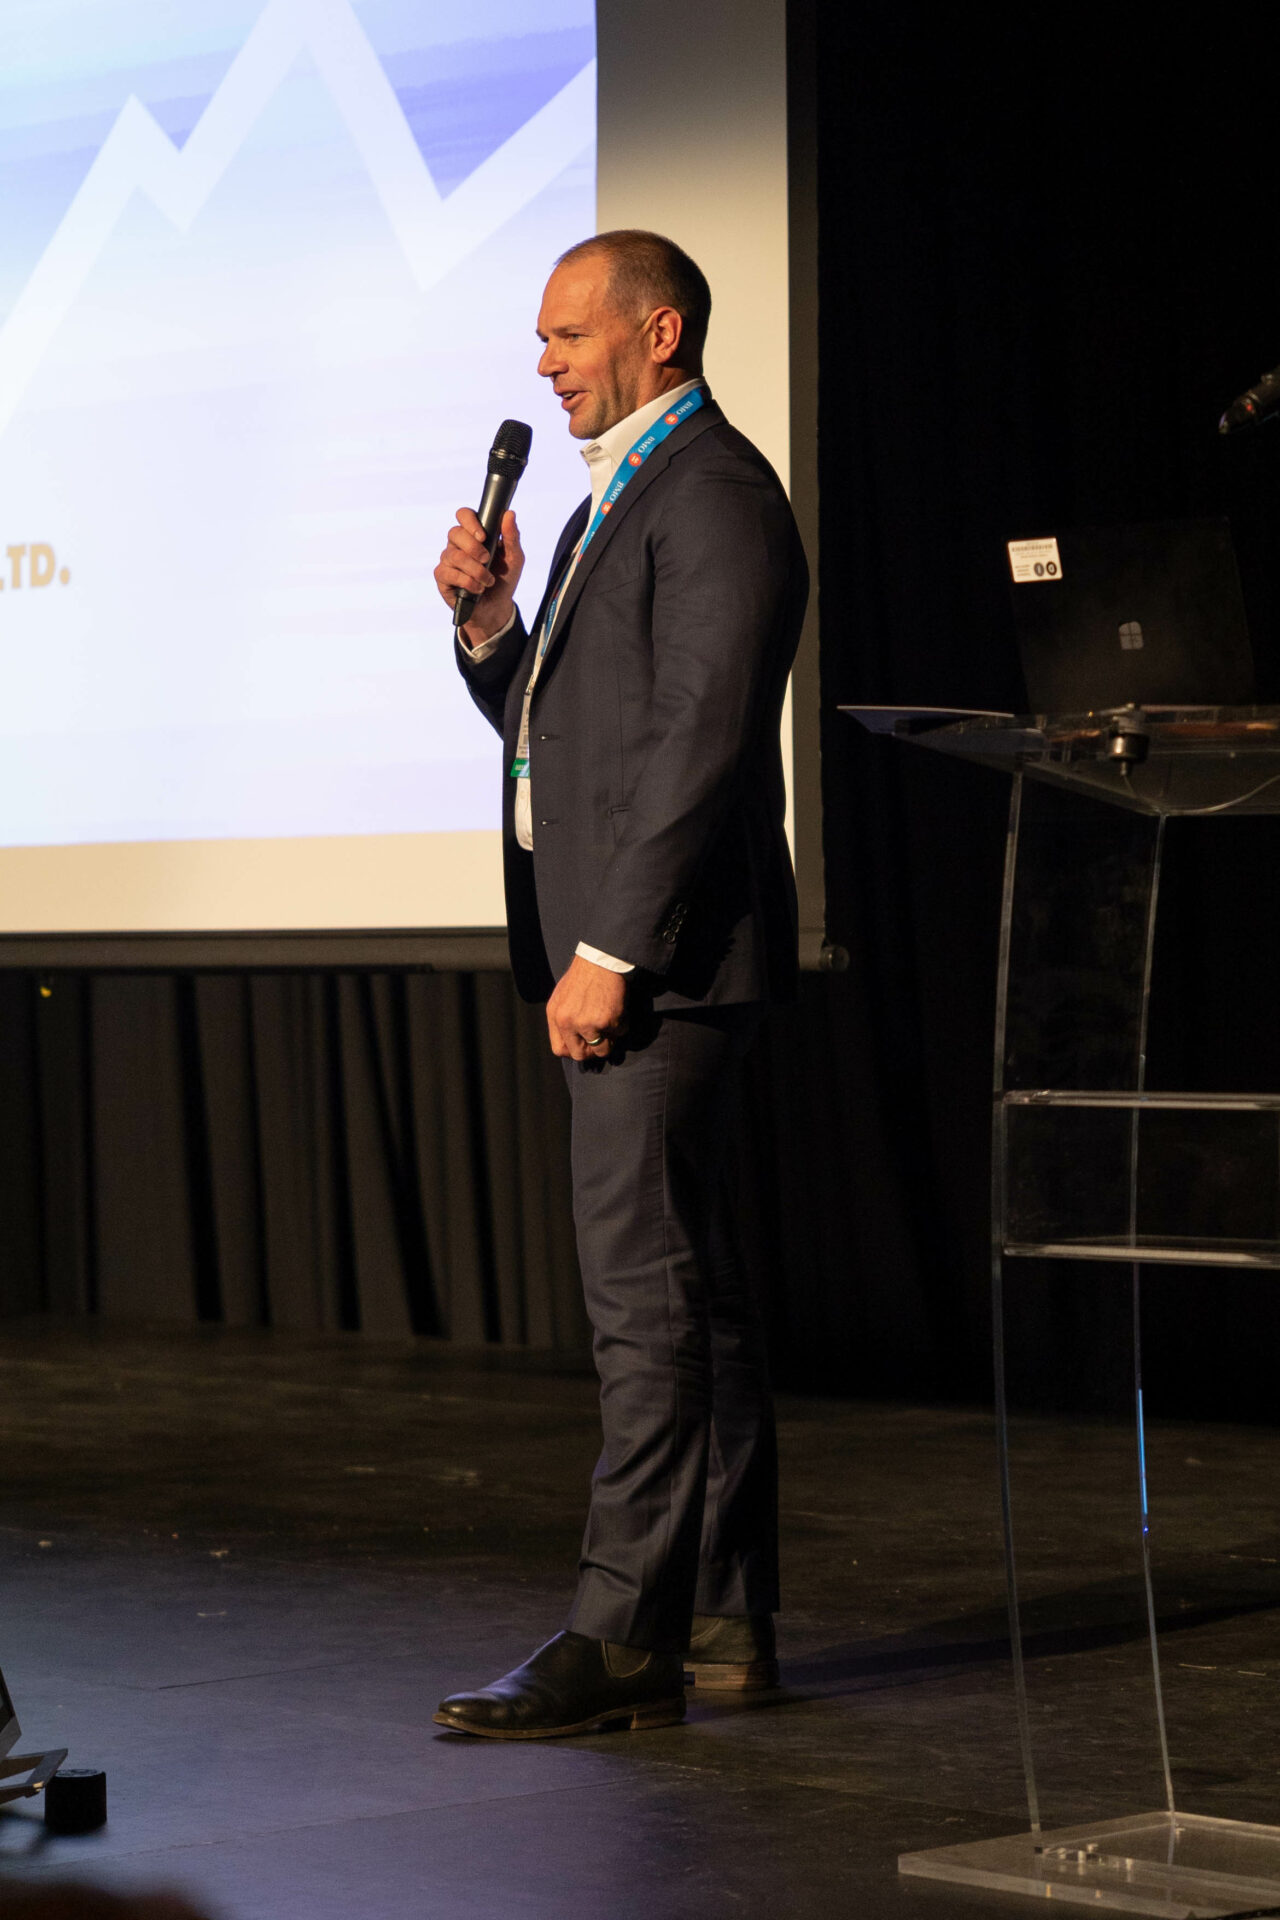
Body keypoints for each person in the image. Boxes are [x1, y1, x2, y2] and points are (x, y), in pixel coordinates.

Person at [431, 229, 808, 1739]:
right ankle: (720, 1616)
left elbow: (700, 743)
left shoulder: (713, 492)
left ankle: (622, 1633)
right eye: (541, 340)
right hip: (650, 954)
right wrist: (492, 628)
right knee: (693, 1295)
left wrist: (609, 949)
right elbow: (573, 737)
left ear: (658, 335)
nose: (544, 364)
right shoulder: (614, 501)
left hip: (662, 965)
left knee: (643, 1304)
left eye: (568, 335)